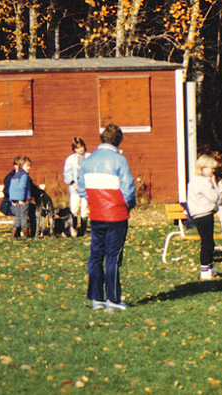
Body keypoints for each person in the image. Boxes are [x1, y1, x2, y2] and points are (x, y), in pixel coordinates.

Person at [78, 124, 136, 311]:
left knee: (95, 256)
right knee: (113, 257)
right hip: (116, 214)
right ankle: (113, 299)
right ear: (118, 141)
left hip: (97, 214)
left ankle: (97, 298)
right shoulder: (119, 160)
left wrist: (95, 201)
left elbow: (80, 189)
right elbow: (128, 190)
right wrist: (127, 205)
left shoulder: (87, 161)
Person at [186, 155, 222, 281]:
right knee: (207, 242)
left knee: (209, 241)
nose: (213, 171)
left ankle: (210, 267)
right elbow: (214, 197)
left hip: (201, 213)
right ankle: (204, 270)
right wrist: (219, 186)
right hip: (203, 214)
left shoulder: (197, 180)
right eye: (211, 168)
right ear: (203, 168)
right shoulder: (201, 182)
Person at [64, 137, 91, 236]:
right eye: (77, 148)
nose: (80, 149)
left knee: (84, 209)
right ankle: (74, 229)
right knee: (74, 208)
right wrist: (72, 183)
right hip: (75, 188)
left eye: (81, 147)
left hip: (86, 188)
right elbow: (67, 173)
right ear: (74, 149)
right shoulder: (71, 159)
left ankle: (83, 230)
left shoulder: (89, 157)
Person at [8, 157, 33, 239]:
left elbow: (12, 188)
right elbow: (22, 187)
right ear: (22, 166)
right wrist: (21, 199)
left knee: (17, 216)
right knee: (24, 216)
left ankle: (14, 234)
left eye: (30, 166)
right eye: (27, 166)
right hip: (24, 199)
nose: (29, 168)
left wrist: (13, 200)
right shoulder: (24, 175)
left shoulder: (16, 175)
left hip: (16, 199)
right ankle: (26, 234)